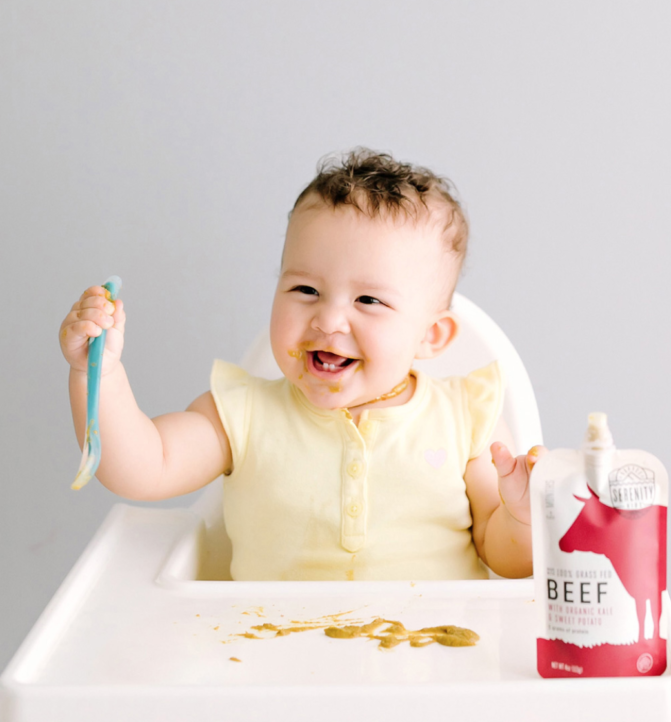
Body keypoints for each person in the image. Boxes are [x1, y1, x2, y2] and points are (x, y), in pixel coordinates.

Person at [59, 149, 542, 581]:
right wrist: (97, 373)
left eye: (369, 299)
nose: (328, 319)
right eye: (305, 290)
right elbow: (143, 468)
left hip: (427, 663)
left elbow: (505, 558)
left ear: (430, 335)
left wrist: (521, 520)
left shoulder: (464, 419)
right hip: (269, 664)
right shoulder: (241, 416)